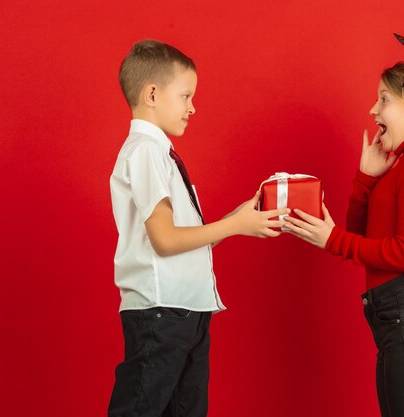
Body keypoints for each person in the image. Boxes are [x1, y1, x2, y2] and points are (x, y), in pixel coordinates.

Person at [284, 34, 404, 417]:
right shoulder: (403, 165)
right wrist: (366, 179)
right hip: (400, 318)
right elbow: (363, 237)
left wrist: (332, 240)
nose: (373, 110)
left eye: (384, 100)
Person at [108, 39, 289, 417]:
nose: (193, 107)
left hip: (186, 309)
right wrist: (237, 225)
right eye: (186, 95)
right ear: (153, 94)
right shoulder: (145, 150)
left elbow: (182, 239)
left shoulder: (159, 153)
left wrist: (233, 221)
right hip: (163, 311)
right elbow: (165, 240)